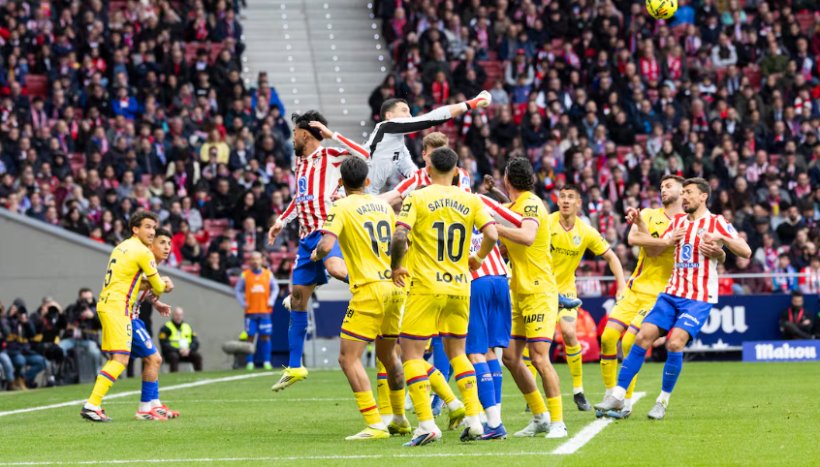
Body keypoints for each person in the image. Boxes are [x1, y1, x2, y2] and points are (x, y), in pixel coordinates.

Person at [595, 178, 751, 420]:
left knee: (675, 343)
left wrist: (723, 245)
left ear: (703, 197)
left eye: (689, 193)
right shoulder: (678, 222)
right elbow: (655, 250)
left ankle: (662, 401)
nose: (685, 197)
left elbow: (746, 252)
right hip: (671, 293)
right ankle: (617, 393)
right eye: (684, 192)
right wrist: (644, 227)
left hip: (697, 298)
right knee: (642, 337)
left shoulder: (717, 222)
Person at [391, 147, 499, 446]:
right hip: (460, 287)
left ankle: (426, 424)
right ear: (455, 171)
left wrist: (397, 267)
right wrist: (477, 258)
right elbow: (492, 235)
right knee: (459, 354)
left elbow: (400, 235)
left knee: (411, 354)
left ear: (427, 172)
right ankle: (475, 420)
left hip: (426, 286)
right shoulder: (470, 199)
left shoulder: (417, 196)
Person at [309, 157, 409, 440]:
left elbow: (327, 244)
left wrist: (316, 253)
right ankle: (400, 418)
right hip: (394, 287)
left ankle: (375, 423)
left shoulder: (340, 206)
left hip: (369, 290)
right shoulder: (383, 205)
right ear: (367, 181)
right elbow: (401, 240)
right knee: (389, 355)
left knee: (346, 358)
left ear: (341, 183)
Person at [267, 111, 367, 391]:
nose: (292, 138)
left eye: (295, 133)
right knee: (298, 299)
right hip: (305, 237)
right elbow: (300, 198)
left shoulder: (332, 156)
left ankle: (371, 283)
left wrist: (331, 132)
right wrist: (280, 221)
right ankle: (296, 366)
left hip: (328, 229)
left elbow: (364, 154)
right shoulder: (299, 162)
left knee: (336, 269)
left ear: (306, 134)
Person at [598, 175, 687, 419]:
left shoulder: (688, 222)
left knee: (629, 342)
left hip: (659, 295)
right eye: (661, 187)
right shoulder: (647, 213)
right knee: (607, 337)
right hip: (634, 288)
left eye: (669, 186)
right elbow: (633, 239)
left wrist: (657, 241)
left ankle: (625, 402)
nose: (663, 189)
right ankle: (610, 395)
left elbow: (650, 247)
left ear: (683, 190)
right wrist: (668, 240)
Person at [493, 158, 566, 439]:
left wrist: (496, 229)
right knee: (511, 356)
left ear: (508, 178)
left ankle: (558, 421)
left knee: (538, 357)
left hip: (539, 291)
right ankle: (540, 417)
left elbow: (526, 236)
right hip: (518, 291)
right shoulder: (514, 206)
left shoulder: (532, 203)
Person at [80, 211, 173, 422]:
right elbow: (158, 285)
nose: (151, 232)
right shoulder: (143, 252)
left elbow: (128, 280)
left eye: (153, 227)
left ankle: (148, 405)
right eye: (148, 227)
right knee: (120, 359)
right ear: (135, 229)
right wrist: (165, 283)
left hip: (110, 304)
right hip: (119, 308)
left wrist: (155, 301)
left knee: (141, 358)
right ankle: (93, 405)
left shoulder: (121, 247)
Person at [548, 184, 626, 412]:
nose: (565, 200)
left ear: (578, 203)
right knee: (534, 343)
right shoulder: (546, 223)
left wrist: (621, 283)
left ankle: (578, 390)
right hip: (542, 290)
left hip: (567, 292)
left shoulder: (586, 231)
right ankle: (531, 393)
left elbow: (612, 257)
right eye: (562, 196)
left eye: (570, 197)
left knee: (570, 333)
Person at [363, 91, 491, 194]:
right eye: (404, 111)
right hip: (352, 193)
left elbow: (414, 175)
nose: (409, 116)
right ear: (389, 115)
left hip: (368, 196)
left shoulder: (400, 147)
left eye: (409, 111)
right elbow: (429, 119)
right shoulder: (385, 127)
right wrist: (471, 104)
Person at [131, 228, 179, 420]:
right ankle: (143, 409)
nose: (167, 247)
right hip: (125, 317)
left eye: (169, 243)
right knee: (154, 359)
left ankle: (154, 405)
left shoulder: (152, 268)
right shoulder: (143, 264)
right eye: (162, 242)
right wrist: (159, 282)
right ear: (150, 245)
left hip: (135, 318)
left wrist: (156, 302)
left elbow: (142, 289)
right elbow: (131, 284)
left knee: (152, 360)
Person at [235, 251, 279, 370]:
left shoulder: (268, 274)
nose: (255, 261)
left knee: (265, 336)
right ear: (250, 261)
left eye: (257, 259)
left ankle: (266, 361)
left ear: (261, 260)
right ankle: (249, 362)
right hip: (250, 312)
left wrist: (271, 300)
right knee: (250, 336)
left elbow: (275, 288)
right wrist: (243, 303)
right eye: (252, 259)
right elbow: (238, 290)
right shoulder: (245, 275)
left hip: (265, 311)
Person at [59, 288, 103, 373]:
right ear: (79, 298)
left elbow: (102, 326)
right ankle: (64, 373)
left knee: (95, 352)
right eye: (84, 299)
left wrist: (93, 317)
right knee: (59, 349)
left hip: (89, 339)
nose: (87, 301)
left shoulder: (97, 309)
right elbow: (61, 324)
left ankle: (98, 373)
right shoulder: (72, 308)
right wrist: (68, 321)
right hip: (72, 339)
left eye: (89, 298)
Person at [159, 307, 203, 372]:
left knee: (197, 356)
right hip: (172, 353)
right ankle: (173, 376)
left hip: (186, 352)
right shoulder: (166, 327)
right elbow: (164, 344)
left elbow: (195, 342)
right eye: (176, 315)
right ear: (173, 315)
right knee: (174, 356)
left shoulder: (187, 326)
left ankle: (199, 377)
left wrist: (189, 349)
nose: (178, 317)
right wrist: (178, 350)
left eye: (180, 315)